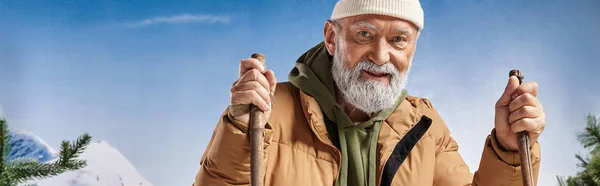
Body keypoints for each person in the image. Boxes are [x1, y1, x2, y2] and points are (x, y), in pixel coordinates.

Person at [193, 0, 546, 185]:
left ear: (412, 49)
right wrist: (240, 129)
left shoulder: (425, 126)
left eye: (398, 40)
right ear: (332, 38)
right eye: (364, 34)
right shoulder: (269, 112)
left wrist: (509, 149)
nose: (380, 56)